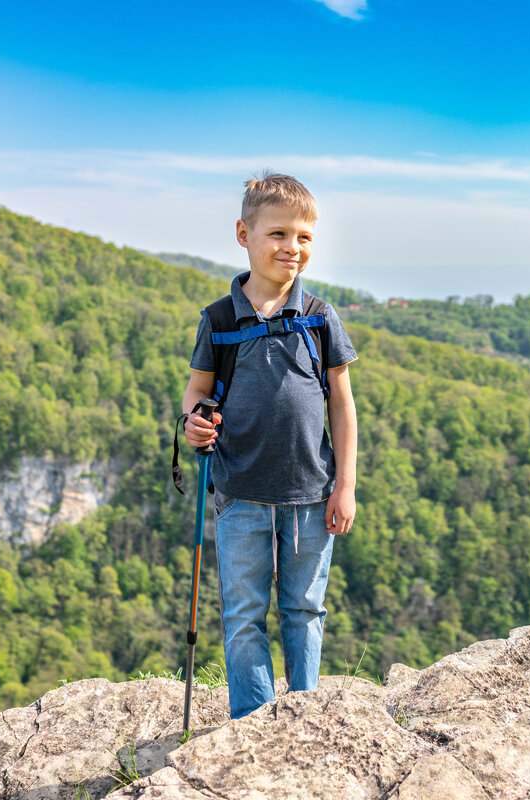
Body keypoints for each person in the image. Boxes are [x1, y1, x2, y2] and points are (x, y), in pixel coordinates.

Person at [180, 172, 358, 719]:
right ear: (244, 234)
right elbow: (196, 393)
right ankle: (252, 723)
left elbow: (342, 406)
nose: (293, 248)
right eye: (279, 233)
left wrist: (345, 486)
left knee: (304, 609)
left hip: (310, 491)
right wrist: (192, 424)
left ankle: (303, 717)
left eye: (304, 236)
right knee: (244, 614)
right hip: (239, 492)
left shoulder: (320, 318)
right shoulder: (218, 319)